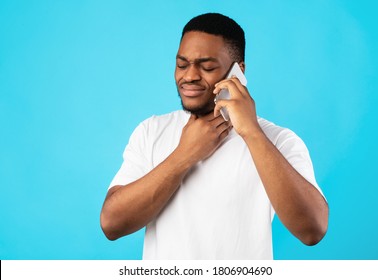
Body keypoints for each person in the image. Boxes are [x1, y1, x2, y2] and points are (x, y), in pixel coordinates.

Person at [100, 13, 328, 259]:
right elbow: (112, 224)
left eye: (207, 66)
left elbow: (312, 229)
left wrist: (251, 132)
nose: (189, 76)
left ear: (237, 71)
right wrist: (184, 155)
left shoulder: (278, 140)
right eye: (182, 64)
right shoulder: (151, 131)